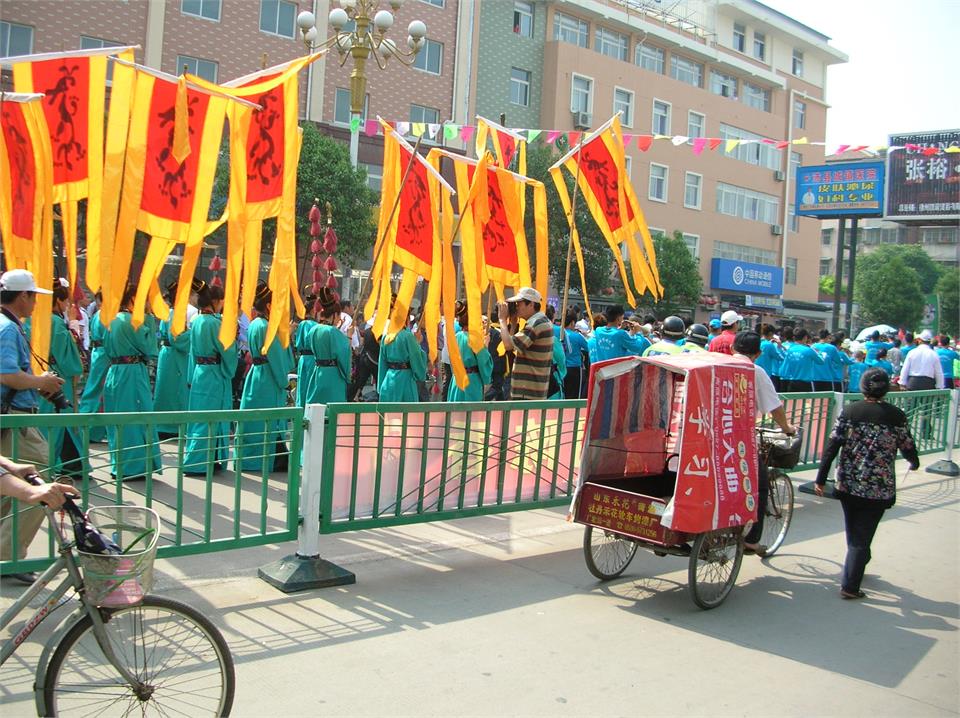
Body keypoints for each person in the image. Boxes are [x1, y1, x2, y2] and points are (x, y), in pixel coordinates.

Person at [815, 368, 919, 599]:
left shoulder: (850, 411)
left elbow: (832, 445)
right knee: (862, 534)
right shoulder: (896, 416)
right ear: (886, 389)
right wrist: (914, 462)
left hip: (848, 482)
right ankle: (851, 585)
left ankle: (858, 559)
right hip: (879, 486)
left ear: (862, 387)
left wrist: (820, 478)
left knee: (855, 529)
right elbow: (907, 445)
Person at [0, 270, 65, 577]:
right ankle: (9, 556)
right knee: (37, 481)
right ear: (23, 296)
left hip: (11, 413)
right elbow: (7, 375)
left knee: (8, 483)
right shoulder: (8, 329)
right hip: (14, 417)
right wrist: (42, 381)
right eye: (34, 296)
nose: (36, 302)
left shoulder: (7, 325)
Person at [731, 331, 796, 556]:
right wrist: (787, 427)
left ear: (732, 348)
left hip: (707, 437)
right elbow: (774, 407)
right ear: (758, 354)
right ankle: (751, 541)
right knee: (759, 486)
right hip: (739, 441)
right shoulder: (755, 371)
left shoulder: (717, 364)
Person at [103, 285, 162, 480]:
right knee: (136, 417)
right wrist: (149, 320)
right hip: (132, 373)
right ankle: (133, 466)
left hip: (115, 371)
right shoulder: (134, 321)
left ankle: (119, 464)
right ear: (134, 298)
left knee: (117, 419)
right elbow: (149, 349)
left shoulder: (113, 318)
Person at [236, 283, 294, 473]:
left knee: (254, 420)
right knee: (268, 420)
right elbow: (278, 359)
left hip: (256, 374)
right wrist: (284, 382)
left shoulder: (254, 323)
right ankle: (264, 460)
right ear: (269, 306)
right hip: (268, 377)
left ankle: (249, 458)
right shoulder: (268, 327)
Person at [183, 283, 237, 475]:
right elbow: (228, 351)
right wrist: (229, 369)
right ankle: (200, 462)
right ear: (214, 301)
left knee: (200, 416)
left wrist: (191, 376)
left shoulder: (197, 321)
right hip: (214, 373)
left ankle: (200, 458)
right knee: (212, 417)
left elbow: (191, 351)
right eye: (221, 301)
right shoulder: (216, 324)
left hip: (199, 372)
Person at [41, 281, 85, 478]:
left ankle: (65, 462)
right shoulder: (56, 322)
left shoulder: (38, 319)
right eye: (66, 301)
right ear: (58, 300)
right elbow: (65, 354)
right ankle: (57, 463)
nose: (68, 305)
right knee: (61, 417)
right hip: (57, 374)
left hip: (44, 371)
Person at [496, 287, 554, 400]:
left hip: (527, 392)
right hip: (530, 390)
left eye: (519, 304)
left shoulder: (536, 323)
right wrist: (513, 324)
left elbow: (508, 345)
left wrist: (502, 320)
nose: (516, 307)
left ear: (531, 304)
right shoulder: (540, 321)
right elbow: (512, 346)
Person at [154, 281, 192, 437]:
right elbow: (177, 338)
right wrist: (194, 333)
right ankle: (170, 426)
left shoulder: (171, 312)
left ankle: (166, 425)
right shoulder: (175, 314)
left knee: (168, 389)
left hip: (169, 355)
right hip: (174, 356)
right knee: (174, 390)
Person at [303, 292, 353, 404]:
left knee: (316, 407)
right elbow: (345, 354)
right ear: (334, 314)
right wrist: (349, 335)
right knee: (332, 409)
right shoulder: (333, 332)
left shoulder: (314, 330)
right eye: (339, 315)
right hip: (333, 376)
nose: (339, 319)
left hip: (317, 372)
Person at [77, 293, 110, 442]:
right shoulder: (106, 315)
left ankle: (91, 429)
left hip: (99, 353)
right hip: (106, 355)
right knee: (99, 392)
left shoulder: (98, 314)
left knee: (94, 389)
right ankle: (90, 429)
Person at [377, 310, 427, 402]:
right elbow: (417, 359)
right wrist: (417, 343)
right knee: (406, 410)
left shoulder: (386, 336)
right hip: (405, 380)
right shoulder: (408, 336)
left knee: (389, 409)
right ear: (406, 319)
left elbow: (382, 363)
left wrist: (380, 385)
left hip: (389, 379)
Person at [447, 304, 493, 402]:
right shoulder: (476, 339)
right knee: (471, 411)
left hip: (457, 380)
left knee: (456, 410)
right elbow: (483, 361)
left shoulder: (456, 337)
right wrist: (485, 346)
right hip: (471, 382)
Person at [779, 328, 825, 392]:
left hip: (792, 382)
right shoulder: (809, 350)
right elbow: (821, 361)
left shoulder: (790, 350)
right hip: (806, 384)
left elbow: (783, 370)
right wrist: (819, 352)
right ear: (805, 337)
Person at [293, 294, 319, 407]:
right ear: (313, 310)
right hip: (312, 359)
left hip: (303, 359)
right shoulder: (315, 325)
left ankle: (300, 409)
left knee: (302, 387)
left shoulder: (301, 324)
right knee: (310, 387)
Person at [561, 309, 590, 399]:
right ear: (572, 323)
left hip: (560, 369)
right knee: (575, 396)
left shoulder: (559, 334)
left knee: (563, 395)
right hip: (574, 369)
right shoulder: (577, 336)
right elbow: (588, 347)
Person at [484, 311, 507, 401]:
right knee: (497, 385)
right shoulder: (502, 332)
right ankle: (485, 399)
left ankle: (501, 402)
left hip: (490, 361)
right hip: (499, 363)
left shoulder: (487, 332)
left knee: (499, 385)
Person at [755, 324, 785, 389]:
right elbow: (780, 358)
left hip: (755, 371)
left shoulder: (757, 342)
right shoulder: (769, 345)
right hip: (766, 373)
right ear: (771, 333)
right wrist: (779, 347)